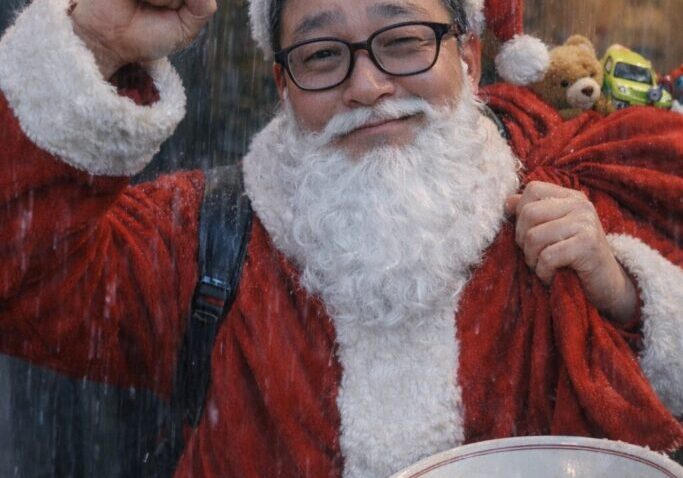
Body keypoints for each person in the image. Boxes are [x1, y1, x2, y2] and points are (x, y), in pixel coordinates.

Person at [0, 0, 682, 477]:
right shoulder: (199, 237)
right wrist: (98, 43)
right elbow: (21, 276)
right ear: (283, 84)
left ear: (469, 55)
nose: (367, 85)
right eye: (323, 54)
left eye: (404, 39)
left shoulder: (582, 186)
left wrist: (625, 295)